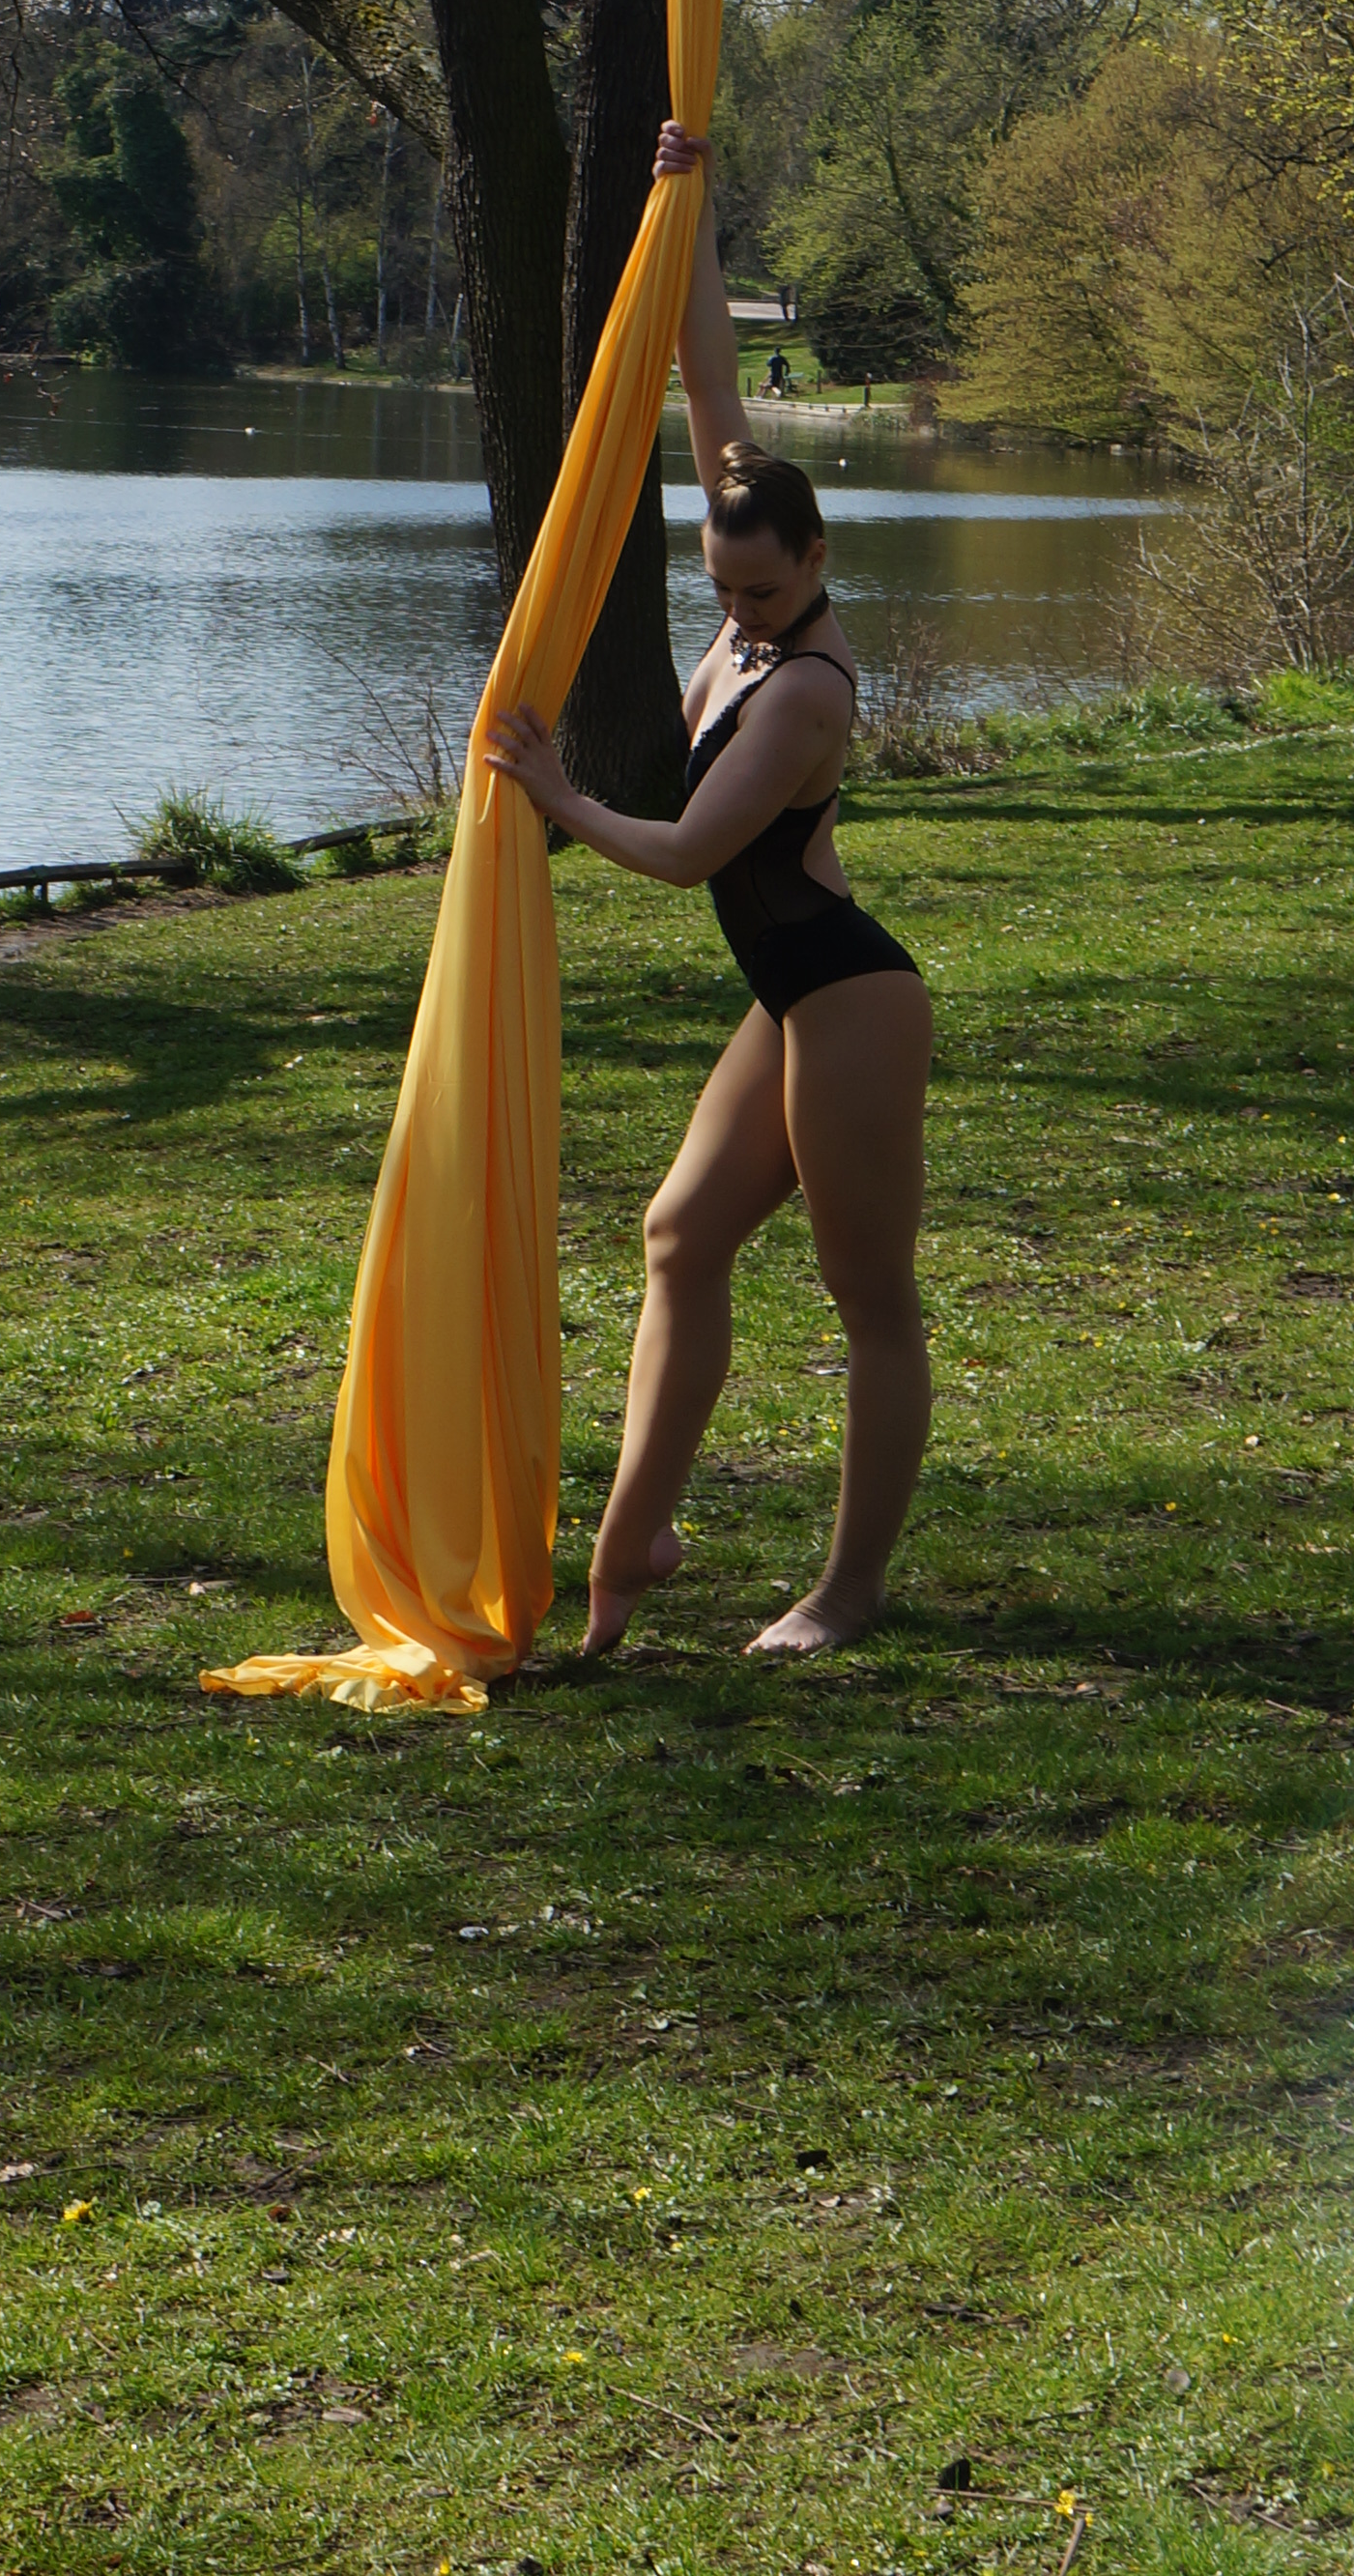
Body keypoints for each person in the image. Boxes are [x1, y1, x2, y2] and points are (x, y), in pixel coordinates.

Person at [481, 123, 931, 1658]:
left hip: (853, 1000)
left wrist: (560, 798)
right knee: (679, 1236)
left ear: (814, 561)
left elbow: (685, 857)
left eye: (761, 588)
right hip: (791, 994)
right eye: (720, 584)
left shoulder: (805, 687)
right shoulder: (749, 587)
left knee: (868, 1300)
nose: (735, 609)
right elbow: (708, 391)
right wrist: (692, 204)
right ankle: (641, 1542)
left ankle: (848, 1593)